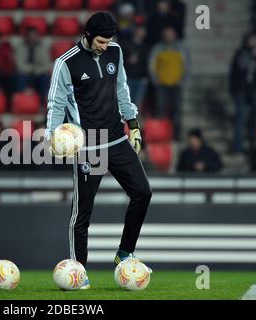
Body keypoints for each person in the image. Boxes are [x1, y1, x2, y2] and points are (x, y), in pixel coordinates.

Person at [44, 12, 152, 289]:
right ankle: (78, 272)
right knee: (82, 214)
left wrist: (134, 124)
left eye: (108, 41)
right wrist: (53, 138)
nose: (105, 46)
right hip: (88, 147)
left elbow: (122, 90)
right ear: (88, 35)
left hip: (116, 139)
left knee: (142, 192)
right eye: (101, 41)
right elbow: (56, 106)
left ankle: (124, 254)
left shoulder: (115, 52)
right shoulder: (65, 63)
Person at [149, 26, 190, 140]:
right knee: (160, 110)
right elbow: (152, 65)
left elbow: (186, 66)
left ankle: (176, 135)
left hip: (176, 85)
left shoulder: (181, 48)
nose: (168, 36)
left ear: (175, 35)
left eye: (170, 34)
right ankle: (161, 135)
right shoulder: (158, 48)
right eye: (166, 34)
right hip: (161, 84)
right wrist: (155, 79)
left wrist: (182, 80)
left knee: (177, 111)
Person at [229, 33, 256, 153]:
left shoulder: (254, 54)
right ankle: (238, 146)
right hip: (240, 90)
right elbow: (242, 68)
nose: (254, 42)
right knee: (240, 118)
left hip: (251, 90)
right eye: (252, 40)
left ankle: (254, 138)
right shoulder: (242, 53)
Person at [14, 27, 51, 100]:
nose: (32, 38)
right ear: (27, 36)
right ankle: (22, 101)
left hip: (38, 73)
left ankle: (42, 102)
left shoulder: (42, 47)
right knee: (19, 78)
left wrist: (37, 70)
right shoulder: (20, 47)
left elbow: (46, 65)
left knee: (45, 78)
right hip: (25, 73)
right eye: (30, 36)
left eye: (34, 36)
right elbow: (20, 65)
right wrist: (32, 69)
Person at [121, 25, 150, 106]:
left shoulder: (145, 47)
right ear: (136, 31)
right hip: (128, 77)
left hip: (141, 78)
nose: (143, 33)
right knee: (127, 101)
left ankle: (136, 118)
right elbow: (119, 61)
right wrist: (128, 61)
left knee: (138, 102)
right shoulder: (126, 45)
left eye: (144, 31)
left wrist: (146, 77)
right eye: (141, 30)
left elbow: (147, 64)